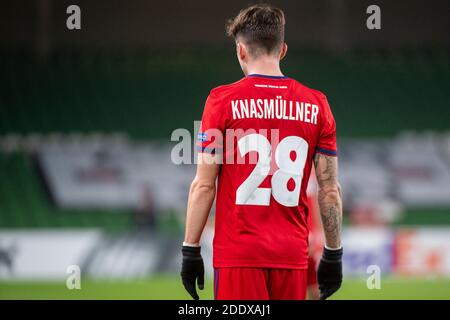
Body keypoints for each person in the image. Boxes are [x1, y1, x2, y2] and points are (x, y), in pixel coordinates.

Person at [181, 4, 343, 300]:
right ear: (283, 50)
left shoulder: (221, 101)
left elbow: (204, 185)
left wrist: (190, 249)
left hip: (238, 256)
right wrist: (333, 254)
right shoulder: (317, 105)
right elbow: (329, 190)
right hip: (292, 255)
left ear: (241, 51)